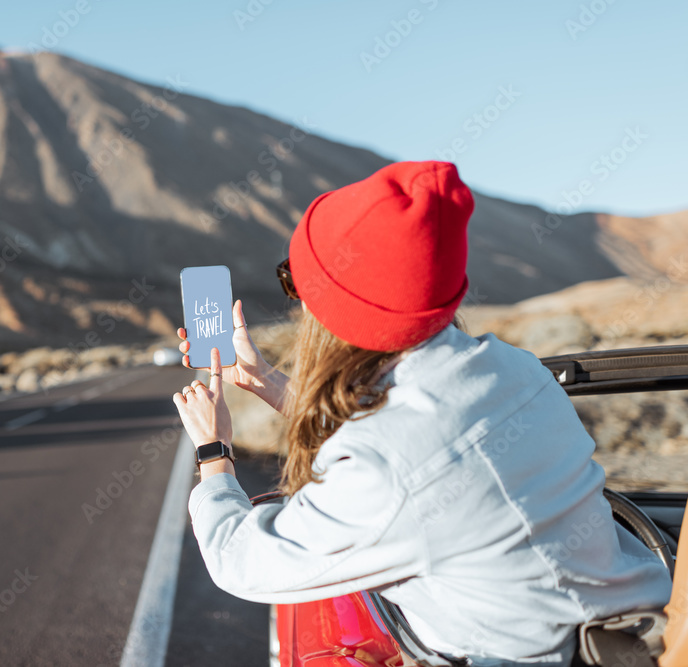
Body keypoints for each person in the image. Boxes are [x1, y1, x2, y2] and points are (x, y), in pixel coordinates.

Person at [172, 161, 672, 666]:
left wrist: (214, 452)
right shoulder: (513, 367)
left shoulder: (387, 466)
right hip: (638, 629)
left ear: (342, 305)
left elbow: (241, 561)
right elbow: (412, 439)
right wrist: (270, 384)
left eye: (297, 283)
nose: (299, 305)